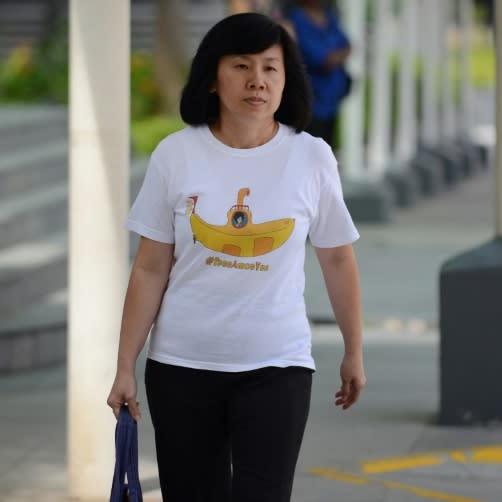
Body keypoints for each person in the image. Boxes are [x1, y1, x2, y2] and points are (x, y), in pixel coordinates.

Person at [106, 12, 366, 502]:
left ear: (287, 80)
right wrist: (125, 364)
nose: (258, 81)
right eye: (242, 66)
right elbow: (149, 267)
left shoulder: (311, 157)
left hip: (278, 366)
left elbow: (337, 259)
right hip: (182, 366)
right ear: (212, 78)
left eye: (271, 68)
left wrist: (354, 351)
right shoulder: (176, 154)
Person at [285, 0, 351, 149]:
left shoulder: (329, 15)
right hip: (311, 100)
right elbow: (322, 59)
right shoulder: (297, 19)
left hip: (332, 98)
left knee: (327, 147)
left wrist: (335, 56)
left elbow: (347, 45)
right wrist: (336, 55)